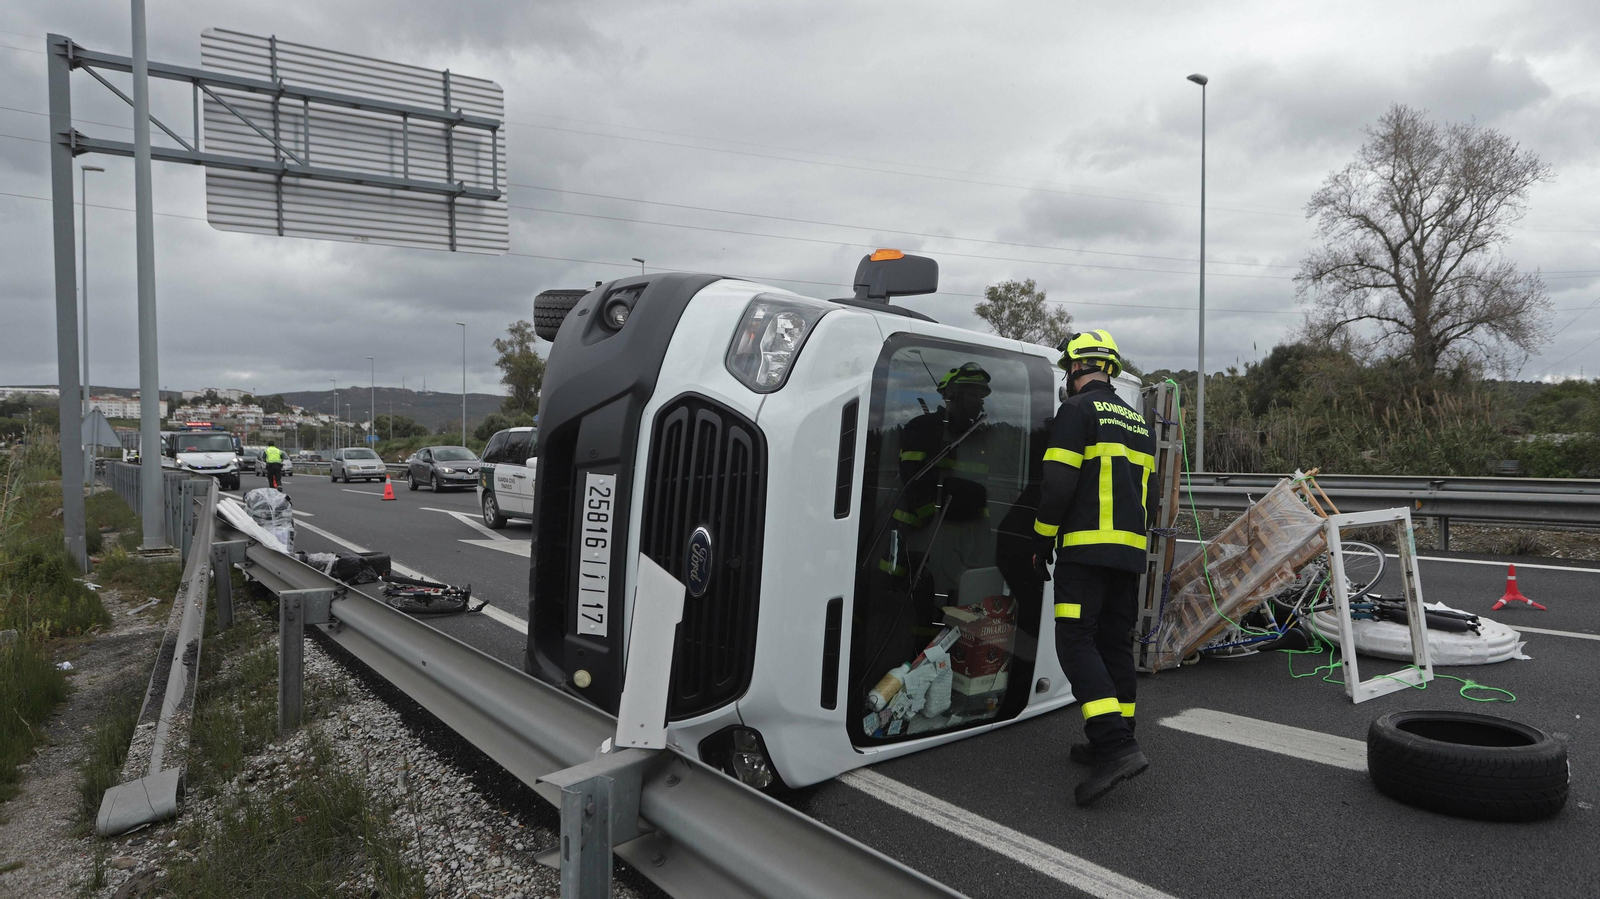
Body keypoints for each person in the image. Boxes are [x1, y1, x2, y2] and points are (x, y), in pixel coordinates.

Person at [1030, 330, 1158, 807]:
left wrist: (1042, 539)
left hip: (1085, 550)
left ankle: (1116, 747)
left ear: (1077, 368)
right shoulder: (1136, 422)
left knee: (1076, 642)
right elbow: (1153, 497)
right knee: (1112, 643)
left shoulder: (1077, 411)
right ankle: (1117, 731)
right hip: (1128, 554)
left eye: (1067, 369)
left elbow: (1059, 484)